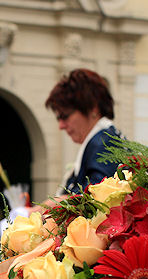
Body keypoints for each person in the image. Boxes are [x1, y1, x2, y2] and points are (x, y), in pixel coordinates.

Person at [45, 68, 122, 196]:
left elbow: (95, 197)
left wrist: (52, 205)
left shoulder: (104, 142)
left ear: (93, 108)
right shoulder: (103, 139)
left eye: (65, 116)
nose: (61, 126)